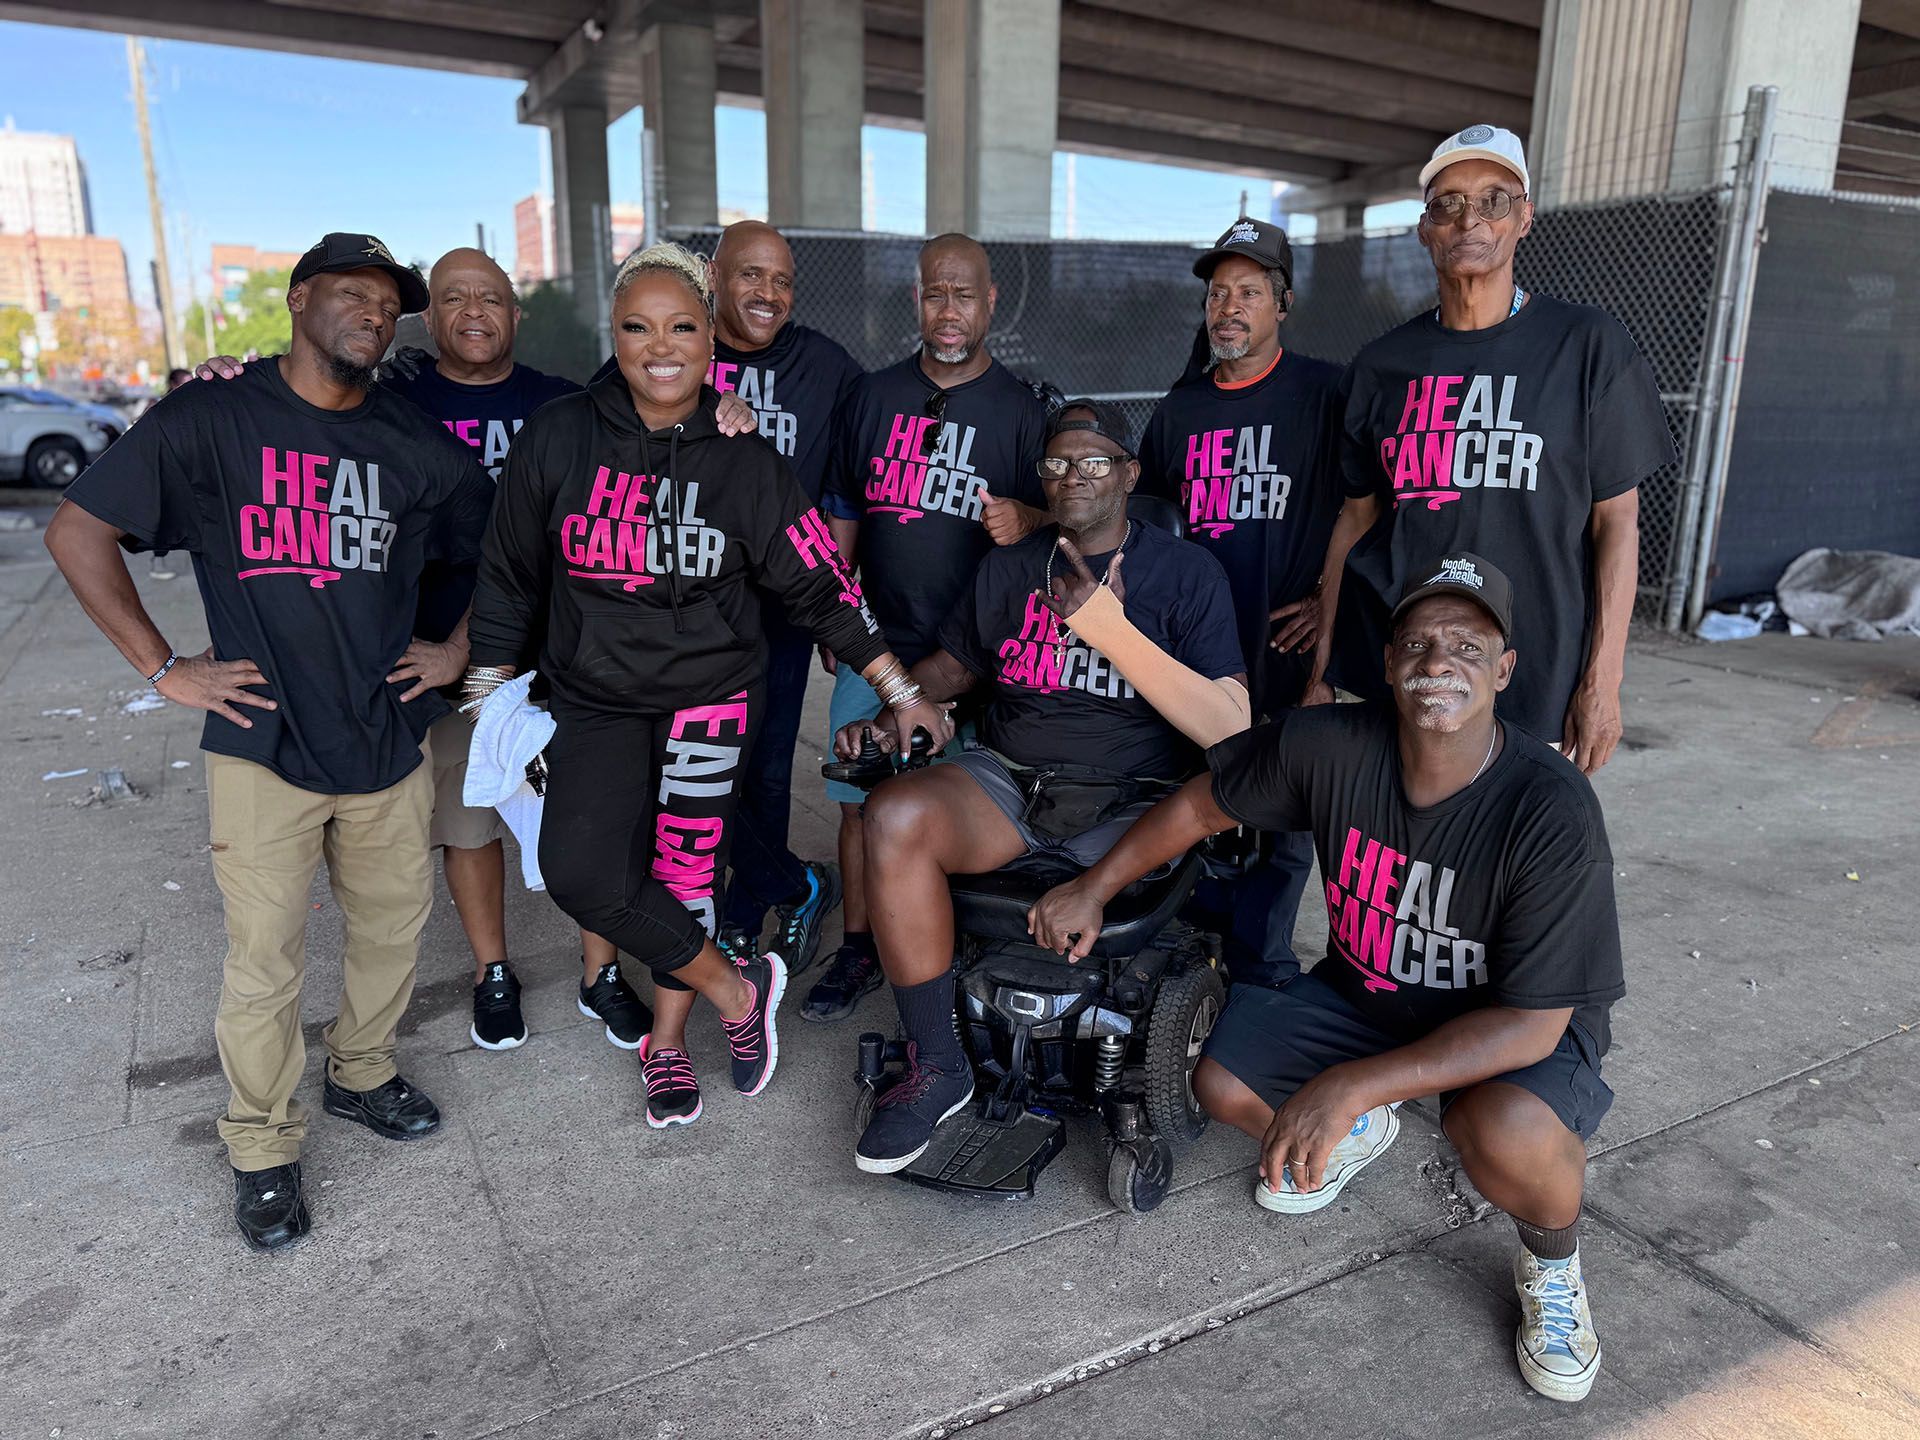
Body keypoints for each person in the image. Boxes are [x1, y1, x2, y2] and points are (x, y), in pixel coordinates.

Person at [1031, 551, 1623, 1404]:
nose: (1437, 663)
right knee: (1220, 1078)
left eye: (1465, 645)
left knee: (1508, 1138)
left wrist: (1349, 1082)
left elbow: (1530, 1026)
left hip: (1504, 1025)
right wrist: (1093, 886)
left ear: (1504, 670)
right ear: (1387, 665)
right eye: (1416, 643)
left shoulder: (1550, 807)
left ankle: (1554, 1270)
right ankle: (1364, 1127)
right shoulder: (1329, 746)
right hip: (1367, 995)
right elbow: (1204, 804)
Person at [44, 233, 495, 1251]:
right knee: (264, 962)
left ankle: (364, 1074)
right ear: (297, 301)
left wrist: (456, 647)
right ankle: (259, 1146)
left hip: (385, 735)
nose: (372, 315)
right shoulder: (213, 417)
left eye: (387, 303)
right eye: (349, 294)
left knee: (391, 933)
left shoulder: (415, 445)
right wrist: (165, 669)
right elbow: (77, 532)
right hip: (260, 741)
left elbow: (508, 550)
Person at [197, 251, 759, 1057]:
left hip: (561, 654)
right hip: (433, 660)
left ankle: (601, 972)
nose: (473, 311)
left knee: (590, 824)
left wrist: (723, 403)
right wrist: (231, 375)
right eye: (454, 296)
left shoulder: (563, 404)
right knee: (469, 825)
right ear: (428, 318)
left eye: (491, 297)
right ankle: (493, 970)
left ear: (515, 315)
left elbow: (664, 388)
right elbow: (299, 400)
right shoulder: (391, 397)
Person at [465, 242, 948, 1130]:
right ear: (612, 334)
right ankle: (737, 988)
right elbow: (509, 573)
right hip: (596, 698)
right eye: (639, 327)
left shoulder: (743, 457)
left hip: (711, 699)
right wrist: (490, 694)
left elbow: (818, 582)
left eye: (682, 326)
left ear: (709, 342)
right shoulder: (561, 434)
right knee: (584, 874)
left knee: (684, 875)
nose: (661, 345)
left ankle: (666, 1046)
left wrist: (898, 688)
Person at [836, 400, 1249, 1174]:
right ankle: (940, 1067)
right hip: (1013, 779)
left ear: (1129, 474)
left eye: (1094, 462)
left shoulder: (1187, 574)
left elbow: (1230, 729)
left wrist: (1113, 630)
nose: (1073, 477)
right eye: (1057, 463)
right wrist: (898, 708)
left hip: (1132, 791)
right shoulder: (1009, 567)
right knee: (891, 814)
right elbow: (955, 669)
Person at [1298, 124, 1675, 775]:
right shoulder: (1382, 365)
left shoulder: (1587, 346)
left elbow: (1616, 521)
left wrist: (1602, 682)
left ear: (1524, 217)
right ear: (1424, 229)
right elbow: (1354, 520)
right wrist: (1321, 667)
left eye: (1494, 200)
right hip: (1405, 673)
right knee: (1396, 861)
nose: (1469, 219)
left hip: (1536, 676)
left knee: (1515, 868)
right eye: (1448, 204)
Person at [806, 232, 1050, 1024]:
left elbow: (1066, 520)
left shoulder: (1020, 409)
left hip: (978, 653)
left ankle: (955, 948)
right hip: (877, 641)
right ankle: (858, 947)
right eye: (935, 294)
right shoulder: (871, 397)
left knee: (966, 802)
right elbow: (841, 510)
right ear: (916, 299)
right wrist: (836, 613)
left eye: (965, 295)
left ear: (992, 303)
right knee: (857, 800)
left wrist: (1034, 512)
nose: (950, 311)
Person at [1136, 216, 1343, 990]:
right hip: (1198, 653)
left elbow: (1371, 507)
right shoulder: (1181, 410)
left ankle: (1262, 973)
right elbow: (1147, 525)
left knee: (1284, 819)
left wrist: (1331, 597)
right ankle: (1193, 958)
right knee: (1199, 801)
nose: (1229, 306)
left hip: (1286, 646)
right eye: (1219, 292)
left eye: (1249, 292)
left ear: (1281, 305)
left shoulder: (1324, 393)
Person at [693, 222, 865, 975]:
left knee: (763, 767)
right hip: (684, 611)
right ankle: (796, 885)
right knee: (692, 767)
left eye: (782, 281)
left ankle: (739, 916)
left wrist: (832, 598)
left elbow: (843, 492)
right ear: (714, 275)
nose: (768, 294)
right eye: (751, 276)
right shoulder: (673, 344)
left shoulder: (827, 367)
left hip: (779, 610)